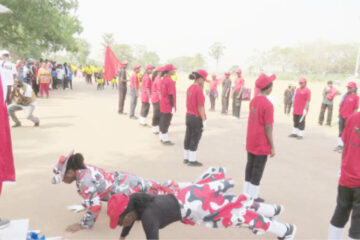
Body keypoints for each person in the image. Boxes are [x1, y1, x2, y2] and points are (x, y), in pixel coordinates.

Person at [52, 151, 226, 232]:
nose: (64, 180)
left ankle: (206, 190)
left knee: (168, 192)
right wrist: (86, 203)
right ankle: (204, 188)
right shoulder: (83, 169)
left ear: (70, 172)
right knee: (162, 187)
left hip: (128, 188)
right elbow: (93, 196)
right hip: (127, 181)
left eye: (63, 177)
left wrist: (83, 224)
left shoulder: (84, 181)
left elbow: (95, 205)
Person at [107, 178, 296, 240]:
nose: (121, 223)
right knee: (232, 202)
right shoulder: (134, 200)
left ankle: (285, 231)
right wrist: (123, 237)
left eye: (120, 219)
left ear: (129, 213)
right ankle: (273, 210)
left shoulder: (148, 218)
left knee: (237, 216)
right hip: (190, 195)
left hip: (198, 208)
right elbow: (128, 222)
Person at [244, 73, 276, 203]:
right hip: (261, 142)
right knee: (258, 168)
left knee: (250, 165)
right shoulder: (268, 105)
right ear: (268, 88)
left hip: (251, 139)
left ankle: (246, 193)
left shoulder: (253, 100)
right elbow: (268, 127)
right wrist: (272, 146)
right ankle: (253, 196)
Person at [328, 112, 360, 240]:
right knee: (358, 223)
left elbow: (346, 144)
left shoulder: (353, 117)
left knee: (341, 211)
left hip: (347, 174)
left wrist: (343, 168)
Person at [183, 70, 208, 167]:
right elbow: (200, 106)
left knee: (188, 136)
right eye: (204, 79)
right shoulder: (198, 90)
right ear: (200, 79)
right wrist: (204, 119)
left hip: (188, 115)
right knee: (195, 138)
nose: (204, 82)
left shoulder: (189, 88)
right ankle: (192, 160)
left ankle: (186, 157)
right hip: (196, 117)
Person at [334, 82, 359, 152]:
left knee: (347, 132)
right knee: (340, 131)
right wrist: (339, 114)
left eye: (350, 87)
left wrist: (353, 118)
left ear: (354, 88)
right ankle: (340, 145)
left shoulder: (356, 97)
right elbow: (342, 105)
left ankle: (344, 146)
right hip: (342, 115)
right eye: (348, 87)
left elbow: (356, 109)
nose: (348, 88)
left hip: (349, 118)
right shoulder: (345, 95)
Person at [159, 64, 177, 145]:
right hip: (168, 104)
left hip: (163, 103)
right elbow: (170, 95)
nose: (174, 71)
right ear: (169, 71)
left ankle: (162, 137)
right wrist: (172, 106)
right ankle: (165, 139)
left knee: (163, 121)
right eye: (173, 70)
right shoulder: (170, 81)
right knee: (166, 122)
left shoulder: (164, 79)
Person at [151, 68, 162, 134]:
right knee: (157, 114)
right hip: (157, 99)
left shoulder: (157, 78)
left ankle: (156, 128)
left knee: (157, 113)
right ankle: (155, 128)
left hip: (155, 98)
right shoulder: (158, 80)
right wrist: (161, 100)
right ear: (159, 72)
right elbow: (159, 91)